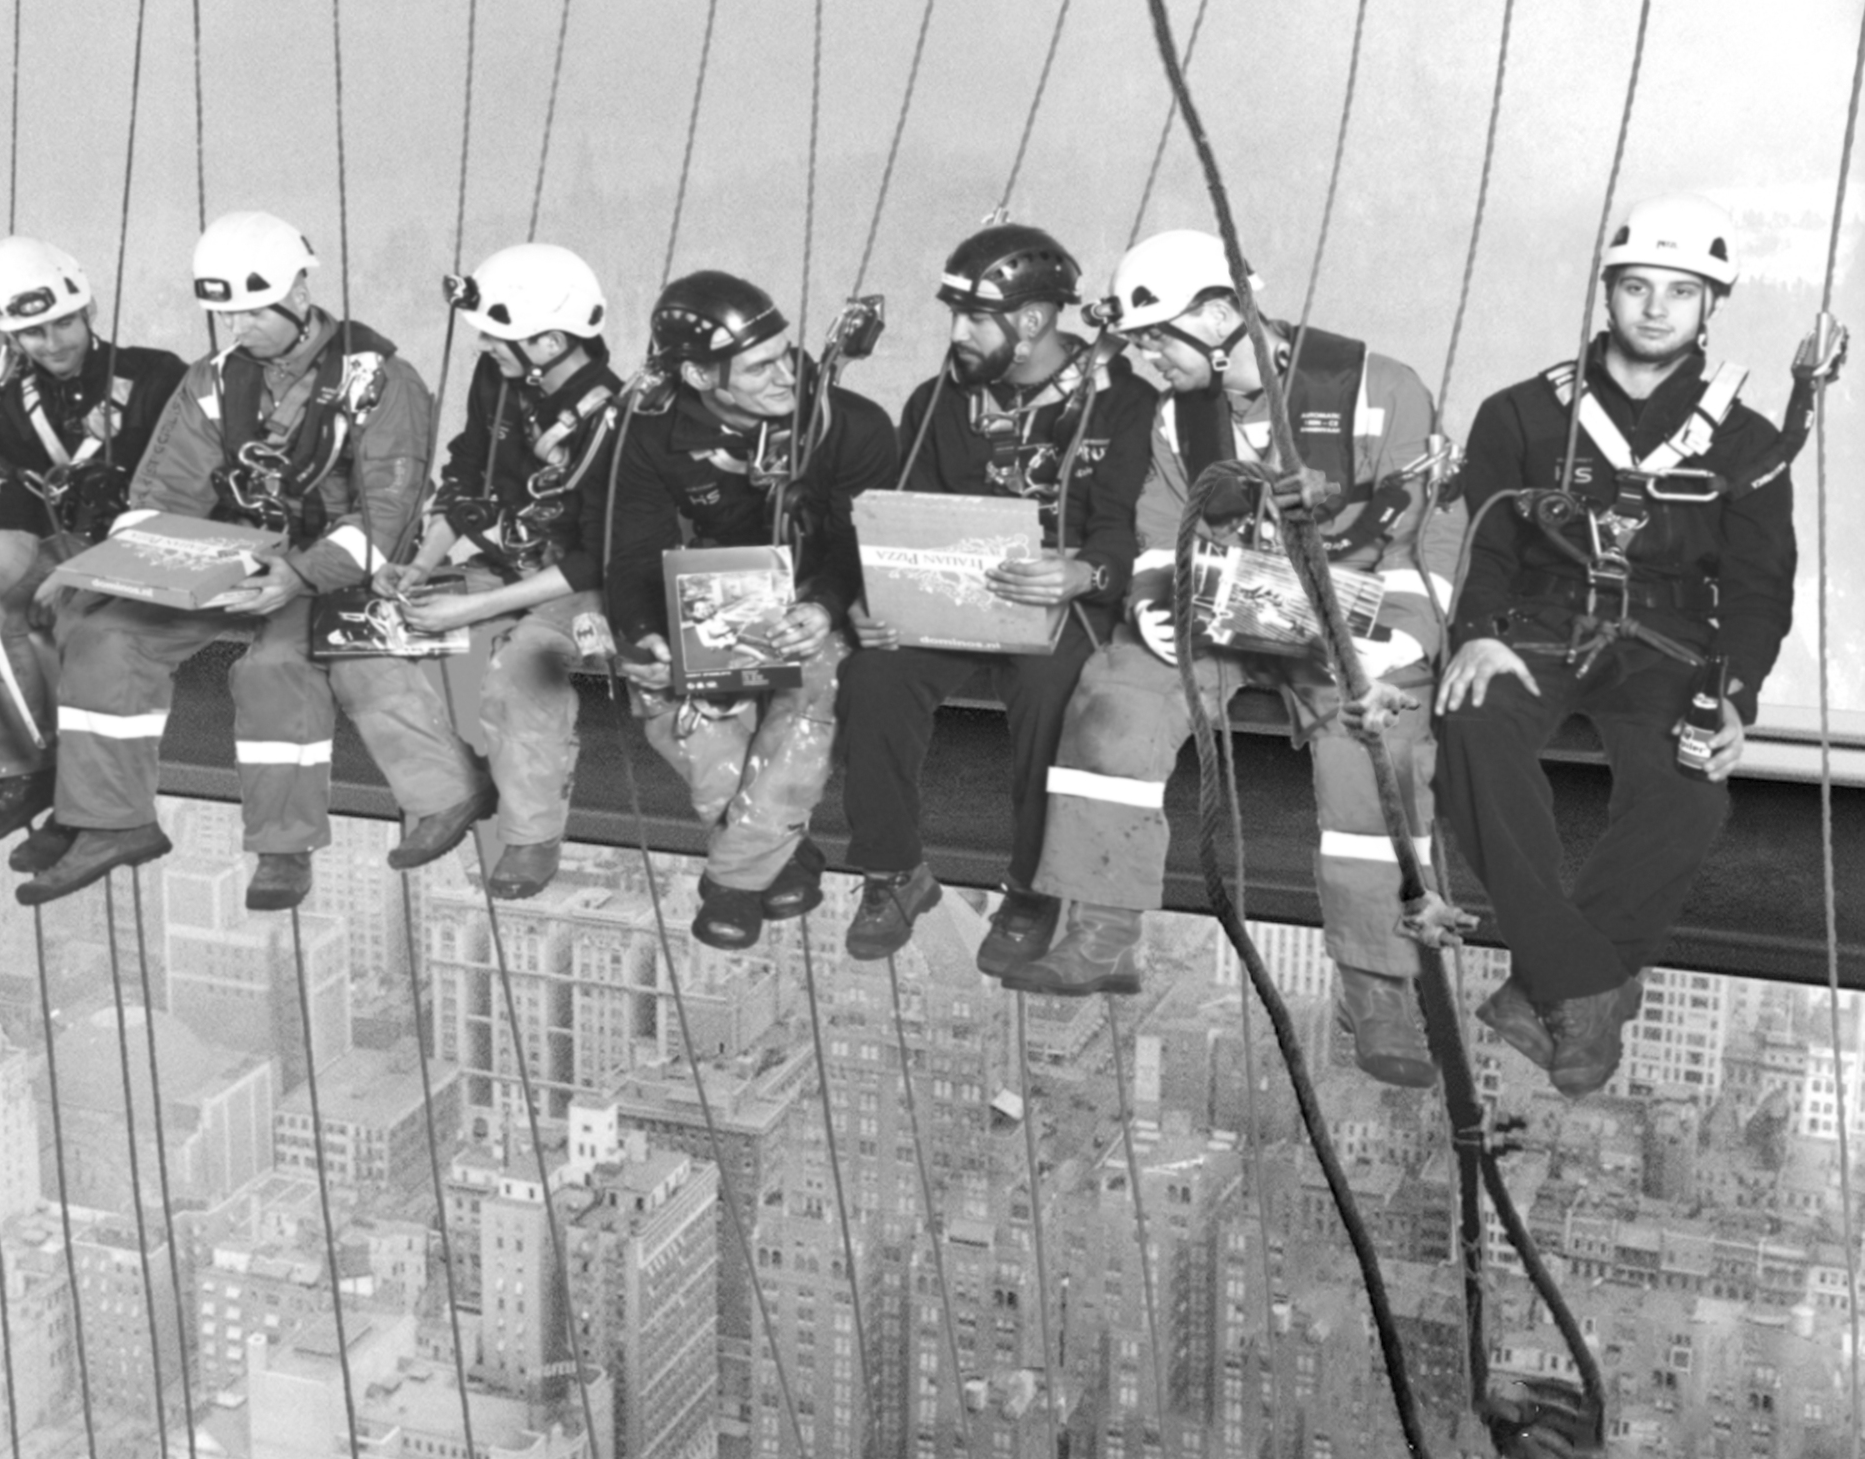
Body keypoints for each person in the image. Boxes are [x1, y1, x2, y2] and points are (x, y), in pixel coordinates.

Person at [1008, 229, 1458, 1091]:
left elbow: (1432, 526)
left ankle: (1382, 988)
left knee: (1380, 756)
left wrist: (1397, 642)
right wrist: (1155, 606)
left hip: (1353, 617)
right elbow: (1156, 519)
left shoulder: (1380, 390)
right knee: (1116, 700)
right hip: (1225, 603)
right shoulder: (1182, 413)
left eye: (1155, 338)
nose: (1143, 358)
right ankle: (1101, 932)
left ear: (1221, 316)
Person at [1437, 194, 1840, 1096]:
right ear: (1607, 295)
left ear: (1709, 308)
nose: (1656, 309)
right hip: (1535, 624)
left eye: (1681, 292)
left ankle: (1551, 989)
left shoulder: (1745, 439)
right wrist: (1475, 638)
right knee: (1470, 727)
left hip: (1668, 638)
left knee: (1691, 793)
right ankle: (1581, 988)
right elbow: (1488, 547)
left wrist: (1734, 696)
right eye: (1637, 288)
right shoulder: (1521, 415)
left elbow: (1758, 586)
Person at [22, 211, 492, 909]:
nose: (236, 329)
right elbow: (163, 488)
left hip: (328, 563)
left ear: (299, 295)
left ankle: (283, 845)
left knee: (276, 669)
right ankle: (111, 820)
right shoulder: (215, 382)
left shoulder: (380, 382)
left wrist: (300, 575)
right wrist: (131, 562)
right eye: (225, 315)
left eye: (249, 313)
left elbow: (384, 517)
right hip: (231, 553)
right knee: (102, 635)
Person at [836, 223, 1155, 965]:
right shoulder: (939, 402)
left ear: (1034, 320)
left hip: (1063, 593)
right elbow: (905, 512)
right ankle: (892, 871)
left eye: (975, 317)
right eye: (957, 315)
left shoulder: (1123, 407)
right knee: (873, 673)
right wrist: (872, 596)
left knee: (1053, 687)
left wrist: (1083, 573)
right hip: (953, 589)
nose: (958, 333)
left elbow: (1125, 528)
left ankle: (1034, 886)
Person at [596, 270, 898, 950]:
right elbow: (632, 552)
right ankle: (782, 857)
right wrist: (645, 633)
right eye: (760, 365)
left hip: (823, 594)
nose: (786, 374)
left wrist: (823, 606)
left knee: (813, 691)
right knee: (677, 705)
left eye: (785, 353)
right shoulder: (650, 434)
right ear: (702, 376)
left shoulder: (849, 427)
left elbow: (867, 539)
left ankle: (733, 879)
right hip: (719, 591)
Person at [381, 243, 624, 900]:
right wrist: (421, 565)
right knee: (378, 633)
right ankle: (451, 790)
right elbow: (468, 475)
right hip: (507, 559)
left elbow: (592, 559)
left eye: (498, 333)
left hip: (581, 586)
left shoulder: (614, 420)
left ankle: (532, 834)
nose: (485, 342)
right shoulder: (503, 382)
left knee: (522, 675)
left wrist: (468, 608)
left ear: (548, 340)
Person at [0, 236, 185, 869]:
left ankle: (85, 811)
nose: (53, 344)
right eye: (33, 335)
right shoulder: (10, 411)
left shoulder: (156, 377)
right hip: (65, 543)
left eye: (62, 323)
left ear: (89, 309)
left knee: (79, 627)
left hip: (150, 543)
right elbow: (17, 514)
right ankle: (25, 775)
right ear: (12, 340)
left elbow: (187, 495)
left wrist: (86, 571)